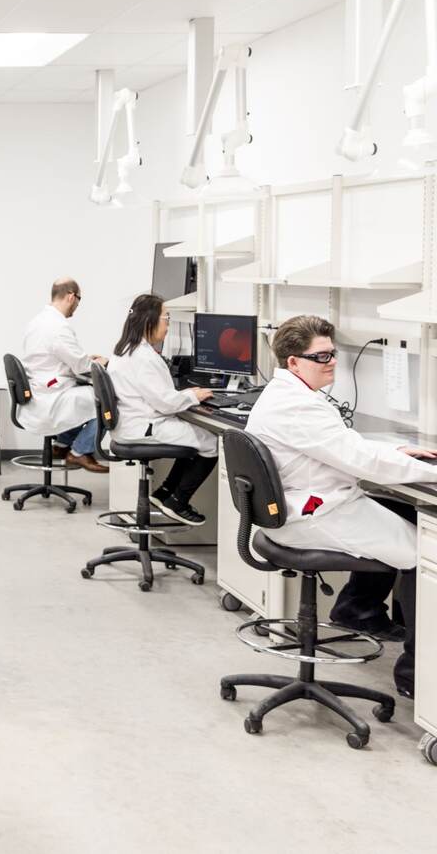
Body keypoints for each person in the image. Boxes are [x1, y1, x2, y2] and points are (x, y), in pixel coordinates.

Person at [245, 314, 437, 697]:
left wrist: (397, 450)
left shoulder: (288, 395)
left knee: (399, 512)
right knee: (424, 554)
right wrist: (421, 469)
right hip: (317, 514)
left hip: (302, 506)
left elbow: (346, 447)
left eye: (332, 354)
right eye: (320, 357)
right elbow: (362, 461)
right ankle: (418, 673)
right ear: (293, 362)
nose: (331, 361)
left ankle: (358, 608)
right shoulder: (301, 407)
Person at [106, 294, 217, 525]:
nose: (168, 325)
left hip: (130, 425)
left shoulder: (125, 349)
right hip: (144, 428)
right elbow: (165, 403)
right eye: (166, 318)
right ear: (150, 321)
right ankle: (178, 501)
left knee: (195, 437)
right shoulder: (143, 357)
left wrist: (184, 396)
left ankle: (164, 493)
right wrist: (192, 395)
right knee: (212, 442)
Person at [19, 277, 109, 473]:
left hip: (44, 388)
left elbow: (56, 357)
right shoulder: (58, 327)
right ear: (71, 297)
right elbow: (81, 366)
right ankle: (79, 453)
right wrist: (101, 363)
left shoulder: (38, 321)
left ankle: (61, 445)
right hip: (50, 396)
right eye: (79, 300)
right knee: (105, 402)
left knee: (85, 399)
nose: (77, 306)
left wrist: (85, 360)